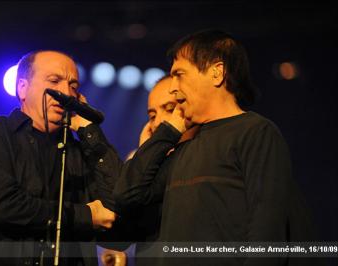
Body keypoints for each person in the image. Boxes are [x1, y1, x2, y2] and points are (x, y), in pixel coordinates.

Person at [114, 30, 317, 265]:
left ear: (216, 72)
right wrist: (166, 133)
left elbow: (266, 227)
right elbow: (126, 195)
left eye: (179, 74)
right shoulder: (184, 145)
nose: (173, 87)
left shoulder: (255, 131)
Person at [0, 50, 123, 266]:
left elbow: (116, 212)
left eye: (73, 86)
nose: (66, 93)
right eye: (54, 81)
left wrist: (89, 130)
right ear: (22, 88)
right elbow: (2, 206)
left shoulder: (80, 151)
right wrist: (84, 216)